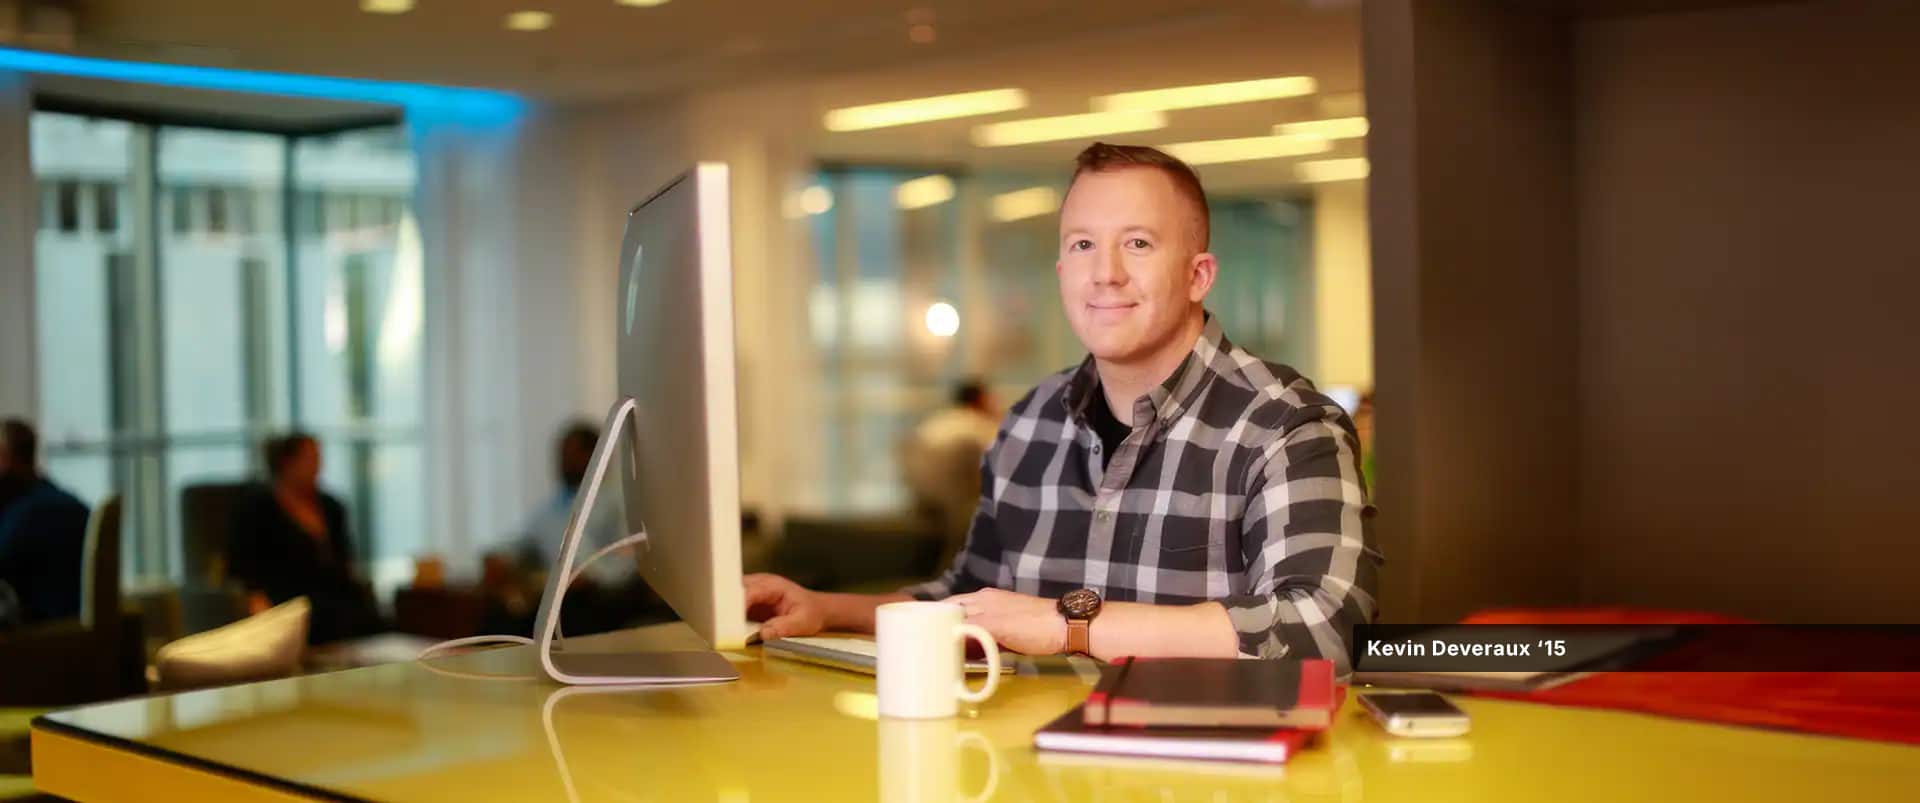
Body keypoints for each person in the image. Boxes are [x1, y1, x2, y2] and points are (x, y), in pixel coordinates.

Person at [746, 143, 1380, 667]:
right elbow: (968, 597)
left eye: (1137, 244)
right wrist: (828, 609)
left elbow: (1323, 627)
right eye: (1082, 245)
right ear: (1060, 270)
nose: (1104, 273)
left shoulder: (1285, 424)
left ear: (1198, 275)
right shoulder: (1030, 421)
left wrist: (1066, 624)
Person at [227, 433, 383, 644]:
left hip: (335, 597)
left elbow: (345, 559)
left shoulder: (331, 506)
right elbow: (242, 565)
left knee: (371, 620)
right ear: (286, 463)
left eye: (319, 458)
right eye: (310, 459)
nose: (318, 466)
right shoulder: (257, 508)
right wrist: (256, 599)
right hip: (288, 600)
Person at [898, 380, 1000, 567]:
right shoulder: (977, 424)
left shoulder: (935, 422)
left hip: (921, 495)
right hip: (956, 500)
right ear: (980, 400)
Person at [0, 419, 91, 624]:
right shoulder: (73, 505)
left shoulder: (23, 516)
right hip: (75, 632)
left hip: (38, 636)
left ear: (5, 459)